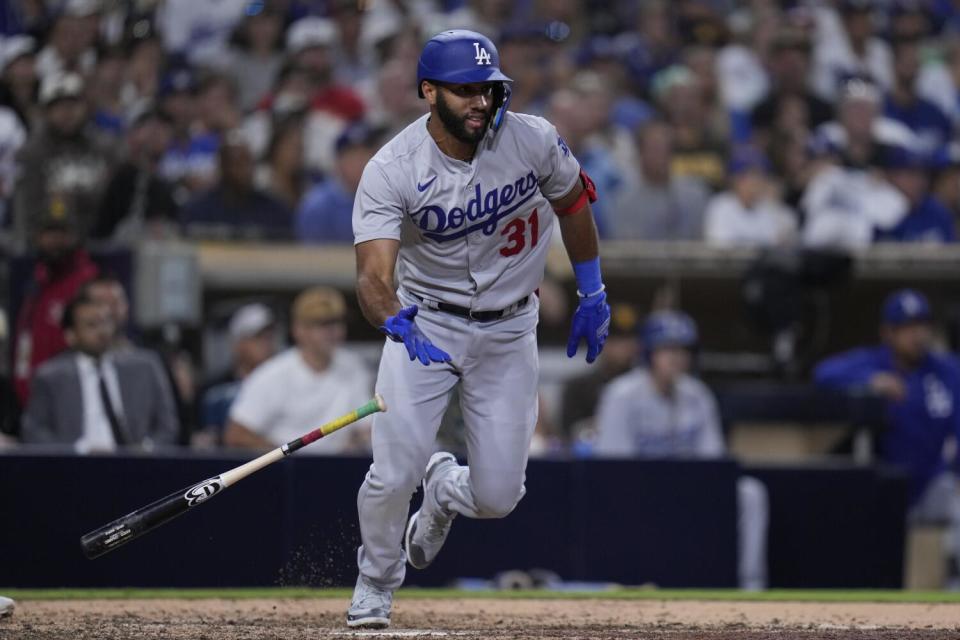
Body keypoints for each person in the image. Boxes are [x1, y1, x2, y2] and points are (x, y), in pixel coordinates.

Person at [347, 30, 610, 628]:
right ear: (428, 91)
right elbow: (371, 275)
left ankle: (444, 490)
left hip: (511, 328)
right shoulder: (392, 168)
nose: (480, 103)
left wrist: (592, 288)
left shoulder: (533, 138)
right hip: (425, 323)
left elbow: (572, 201)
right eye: (465, 91)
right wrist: (391, 316)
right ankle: (376, 583)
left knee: (497, 498)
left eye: (488, 90)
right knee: (391, 473)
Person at [594, 310, 769, 591]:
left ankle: (751, 586)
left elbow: (713, 462)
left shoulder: (698, 395)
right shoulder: (621, 394)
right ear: (649, 353)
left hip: (689, 488)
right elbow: (614, 467)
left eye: (683, 350)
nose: (676, 357)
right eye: (667, 349)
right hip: (640, 492)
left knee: (750, 493)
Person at [814, 289, 960, 585]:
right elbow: (823, 373)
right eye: (908, 328)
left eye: (922, 326)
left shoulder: (945, 370)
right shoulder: (874, 363)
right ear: (888, 333)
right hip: (888, 488)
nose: (918, 335)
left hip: (934, 480)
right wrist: (870, 381)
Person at [21, 292, 179, 452]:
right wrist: (77, 450)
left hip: (136, 466)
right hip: (74, 468)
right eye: (91, 325)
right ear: (71, 335)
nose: (102, 331)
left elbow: (168, 426)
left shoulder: (146, 367)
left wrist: (147, 449)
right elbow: (33, 432)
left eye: (106, 322)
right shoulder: (50, 377)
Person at [224, 286, 372, 453]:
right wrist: (286, 459)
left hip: (337, 468)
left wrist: (361, 440)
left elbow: (365, 428)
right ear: (299, 330)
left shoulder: (354, 367)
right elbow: (236, 434)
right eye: (322, 324)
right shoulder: (273, 374)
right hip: (286, 472)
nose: (333, 331)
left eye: (338, 322)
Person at [12, 200, 98, 406]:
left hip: (72, 403)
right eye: (49, 233)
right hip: (32, 401)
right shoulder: (36, 280)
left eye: (62, 233)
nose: (55, 240)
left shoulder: (88, 282)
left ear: (74, 237)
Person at [180, 131, 293, 241]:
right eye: (237, 163)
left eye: (249, 162)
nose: (246, 170)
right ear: (222, 167)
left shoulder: (274, 210)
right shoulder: (198, 209)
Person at [609, 119, 710, 241]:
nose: (661, 155)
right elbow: (626, 250)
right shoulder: (624, 200)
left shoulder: (694, 195)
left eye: (666, 148)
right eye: (655, 149)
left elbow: (701, 246)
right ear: (640, 153)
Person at [199, 302, 277, 441]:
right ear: (238, 343)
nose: (266, 344)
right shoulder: (214, 390)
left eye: (269, 337)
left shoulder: (283, 384)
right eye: (257, 337)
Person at [296, 121, 382, 244]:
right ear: (338, 162)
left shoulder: (386, 198)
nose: (360, 163)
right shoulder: (317, 206)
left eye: (365, 154)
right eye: (353, 156)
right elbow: (312, 259)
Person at [703, 147, 797, 248]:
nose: (755, 183)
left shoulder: (767, 209)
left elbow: (773, 245)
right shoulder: (720, 206)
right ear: (735, 180)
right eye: (749, 177)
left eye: (759, 177)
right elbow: (721, 248)